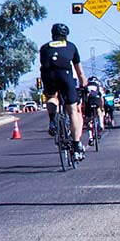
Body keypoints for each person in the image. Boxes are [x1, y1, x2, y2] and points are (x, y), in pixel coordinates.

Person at [38, 24, 87, 159]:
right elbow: (79, 71)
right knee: (72, 110)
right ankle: (76, 144)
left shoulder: (44, 48)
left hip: (49, 76)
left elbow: (43, 64)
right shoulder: (71, 46)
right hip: (65, 76)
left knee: (52, 97)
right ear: (66, 36)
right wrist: (83, 85)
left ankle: (53, 118)